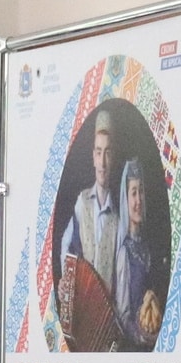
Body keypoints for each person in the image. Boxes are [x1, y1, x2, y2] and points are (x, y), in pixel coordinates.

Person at [58, 109, 123, 349]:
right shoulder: (81, 202)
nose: (103, 162)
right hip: (80, 316)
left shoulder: (120, 217)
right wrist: (66, 281)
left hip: (106, 326)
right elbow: (68, 249)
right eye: (98, 152)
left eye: (108, 153)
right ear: (93, 157)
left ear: (113, 158)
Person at [110, 159, 166, 351]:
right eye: (133, 193)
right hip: (134, 350)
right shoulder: (124, 254)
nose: (138, 200)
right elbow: (123, 318)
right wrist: (144, 336)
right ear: (125, 200)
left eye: (141, 191)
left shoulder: (148, 246)